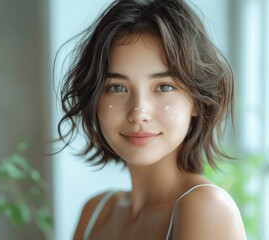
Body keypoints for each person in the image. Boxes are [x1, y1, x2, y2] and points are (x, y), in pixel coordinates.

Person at [56, 0, 247, 239]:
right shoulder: (96, 211)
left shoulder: (205, 207)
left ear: (198, 101)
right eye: (116, 87)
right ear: (95, 99)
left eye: (164, 86)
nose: (138, 112)